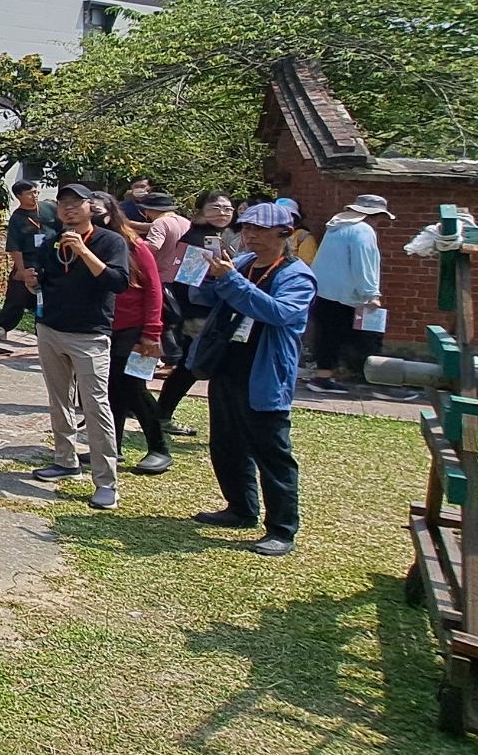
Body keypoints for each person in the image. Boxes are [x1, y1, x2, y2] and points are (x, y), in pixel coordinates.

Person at [188, 200, 317, 556]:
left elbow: (279, 313)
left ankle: (282, 529)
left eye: (260, 229)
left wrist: (229, 279)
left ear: (284, 233)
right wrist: (207, 274)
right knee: (227, 444)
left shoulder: (296, 275)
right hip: (228, 364)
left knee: (271, 452)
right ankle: (240, 508)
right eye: (246, 228)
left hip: (264, 371)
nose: (251, 235)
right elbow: (209, 298)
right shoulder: (242, 263)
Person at [26, 184, 132, 507]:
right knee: (59, 399)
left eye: (76, 203)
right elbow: (44, 282)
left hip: (90, 334)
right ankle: (65, 460)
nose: (69, 209)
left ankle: (106, 482)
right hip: (50, 329)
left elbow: (118, 282)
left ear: (90, 207)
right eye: (63, 204)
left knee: (96, 406)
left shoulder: (110, 241)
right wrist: (33, 282)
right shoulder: (50, 242)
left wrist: (84, 252)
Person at [156, 190, 238, 433]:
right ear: (200, 211)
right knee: (193, 366)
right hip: (198, 315)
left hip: (204, 312)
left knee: (189, 368)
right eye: (215, 208)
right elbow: (189, 285)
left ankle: (160, 414)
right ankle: (160, 415)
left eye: (227, 208)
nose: (222, 213)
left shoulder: (213, 236)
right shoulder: (198, 239)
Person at [102, 196, 172, 475]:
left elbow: (154, 290)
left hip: (134, 328)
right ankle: (113, 446)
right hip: (103, 327)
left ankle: (159, 448)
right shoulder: (88, 245)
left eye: (97, 210)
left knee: (133, 387)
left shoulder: (134, 246)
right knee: (110, 388)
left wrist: (152, 332)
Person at [306, 193, 392, 396]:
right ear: (374, 215)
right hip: (347, 295)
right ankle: (375, 381)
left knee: (328, 336)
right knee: (368, 338)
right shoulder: (363, 230)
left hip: (323, 292)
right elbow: (364, 263)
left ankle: (323, 377)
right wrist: (371, 293)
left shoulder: (337, 227)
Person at [0, 180, 56, 335]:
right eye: (30, 193)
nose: (34, 196)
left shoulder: (50, 208)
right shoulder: (17, 218)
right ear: (19, 196)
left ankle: (43, 330)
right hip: (29, 261)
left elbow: (63, 228)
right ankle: (2, 327)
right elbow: (14, 247)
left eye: (36, 192)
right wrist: (20, 270)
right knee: (17, 295)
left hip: (52, 259)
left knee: (49, 297)